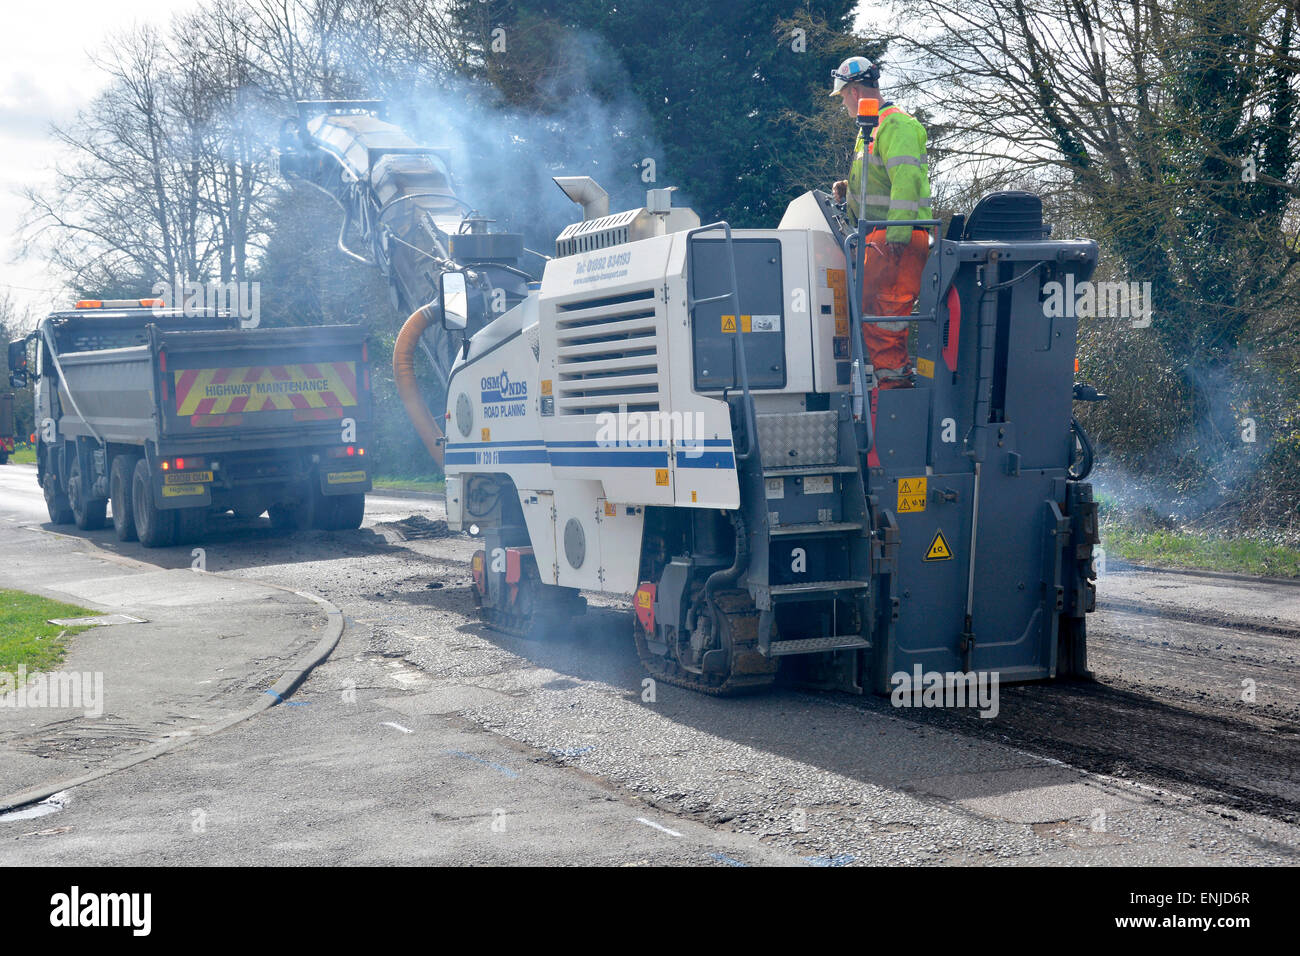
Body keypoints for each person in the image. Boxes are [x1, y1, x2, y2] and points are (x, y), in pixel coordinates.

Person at [830, 56, 932, 389]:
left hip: (896, 238)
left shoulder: (893, 124)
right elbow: (882, 183)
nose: (843, 103)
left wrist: (897, 236)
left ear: (855, 91)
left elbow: (906, 179)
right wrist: (849, 196)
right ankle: (889, 396)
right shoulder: (870, 128)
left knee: (885, 319)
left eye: (843, 95)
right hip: (882, 237)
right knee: (876, 318)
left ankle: (894, 399)